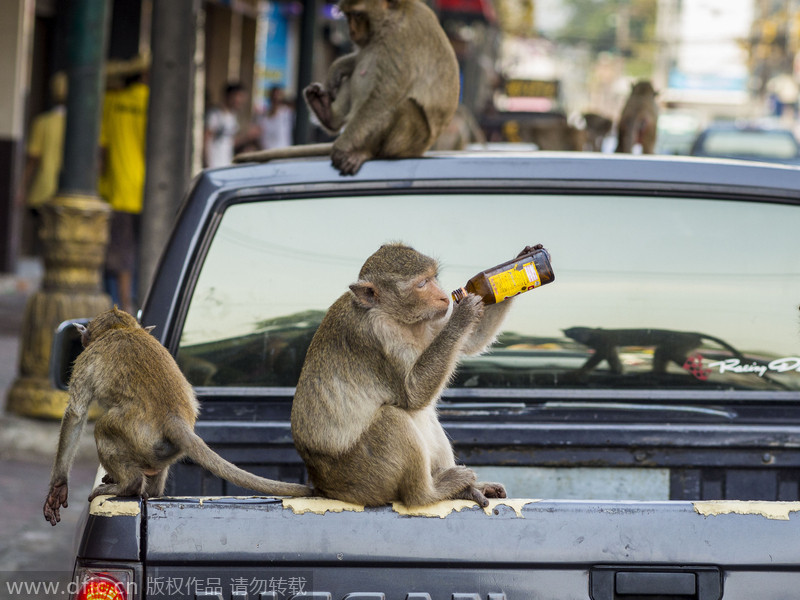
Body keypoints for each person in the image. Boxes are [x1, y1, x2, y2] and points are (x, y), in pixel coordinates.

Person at [98, 54, 150, 314]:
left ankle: (124, 306)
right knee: (142, 250)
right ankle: (133, 305)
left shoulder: (112, 101)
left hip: (118, 188)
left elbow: (102, 149)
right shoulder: (152, 101)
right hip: (148, 190)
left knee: (120, 252)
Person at [18, 72, 68, 253]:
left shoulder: (42, 122)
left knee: (44, 238)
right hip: (68, 192)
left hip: (43, 189)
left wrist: (22, 187)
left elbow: (33, 160)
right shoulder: (79, 125)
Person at [204, 82, 249, 167]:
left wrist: (247, 136)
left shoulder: (233, 116)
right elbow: (206, 139)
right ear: (230, 96)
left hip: (226, 164)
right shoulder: (215, 114)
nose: (240, 101)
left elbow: (229, 141)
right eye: (238, 97)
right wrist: (207, 162)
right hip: (213, 165)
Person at [256, 86, 294, 150]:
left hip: (283, 152)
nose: (276, 99)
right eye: (274, 97)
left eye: (278, 96)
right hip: (266, 152)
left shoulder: (288, 114)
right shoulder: (263, 116)